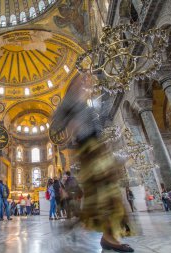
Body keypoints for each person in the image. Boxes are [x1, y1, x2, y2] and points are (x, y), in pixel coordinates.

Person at [52, 78, 134, 252]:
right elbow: (55, 124)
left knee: (108, 189)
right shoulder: (69, 102)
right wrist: (71, 127)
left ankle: (107, 235)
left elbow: (99, 123)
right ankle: (105, 235)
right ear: (72, 85)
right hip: (87, 149)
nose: (85, 84)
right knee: (103, 190)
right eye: (80, 82)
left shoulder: (85, 103)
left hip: (98, 147)